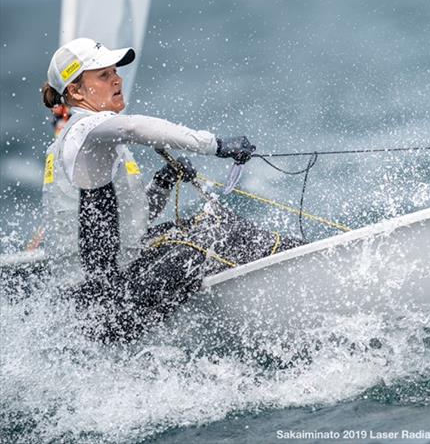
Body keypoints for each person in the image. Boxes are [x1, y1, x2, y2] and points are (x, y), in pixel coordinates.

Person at [40, 37, 289, 340]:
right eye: (103, 76)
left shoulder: (95, 141)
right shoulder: (83, 130)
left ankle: (294, 256)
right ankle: (300, 268)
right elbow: (134, 127)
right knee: (209, 239)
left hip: (112, 291)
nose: (117, 79)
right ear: (76, 91)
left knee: (208, 224)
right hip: (99, 309)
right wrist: (216, 145)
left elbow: (132, 225)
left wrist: (163, 182)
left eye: (115, 71)